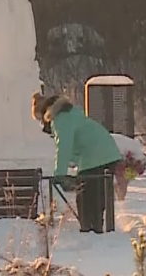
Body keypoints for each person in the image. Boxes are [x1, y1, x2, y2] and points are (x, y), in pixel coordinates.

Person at [32, 93, 123, 233]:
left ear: (44, 112)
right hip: (107, 154)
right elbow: (77, 143)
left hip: (95, 158)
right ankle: (98, 231)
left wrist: (60, 175)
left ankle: (91, 234)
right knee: (96, 198)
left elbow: (64, 146)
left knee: (86, 201)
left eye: (39, 119)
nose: (41, 124)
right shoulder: (70, 113)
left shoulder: (61, 119)